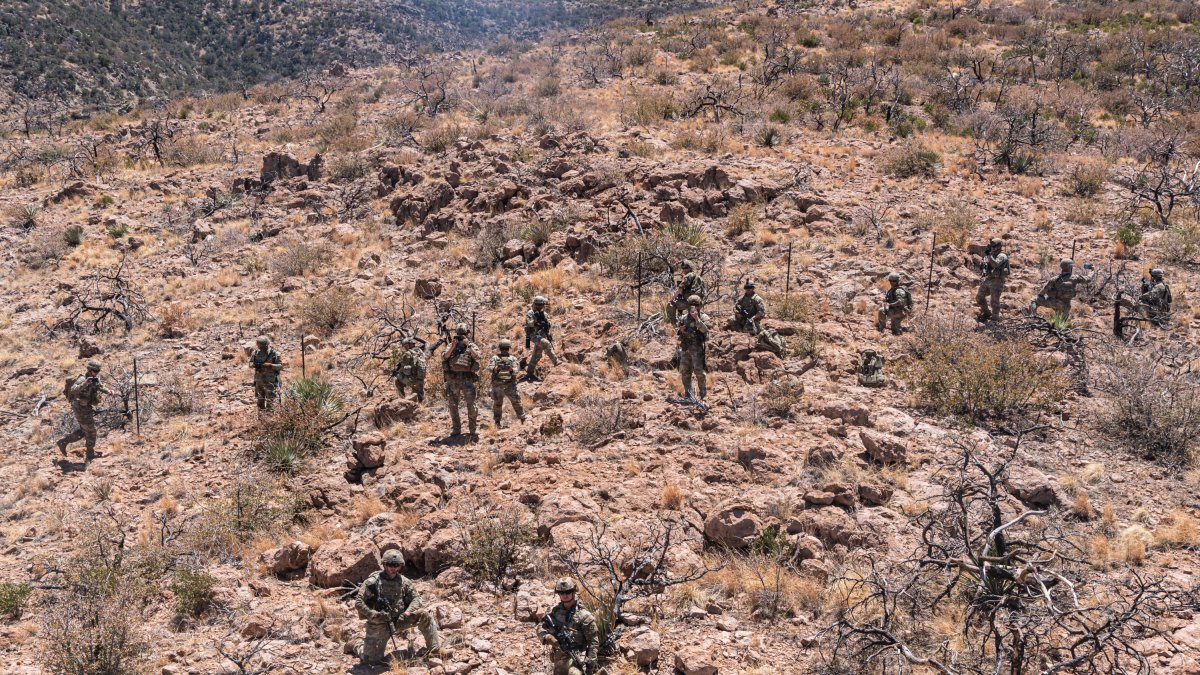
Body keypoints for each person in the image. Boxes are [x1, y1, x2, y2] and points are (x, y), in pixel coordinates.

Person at [352, 549, 440, 664]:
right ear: (384, 565)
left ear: (400, 566)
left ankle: (435, 650)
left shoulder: (404, 582)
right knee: (371, 661)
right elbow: (359, 602)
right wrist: (372, 614)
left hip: (399, 620)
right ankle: (357, 644)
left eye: (396, 565)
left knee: (424, 615)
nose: (392, 568)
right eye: (389, 564)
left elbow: (416, 599)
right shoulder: (373, 582)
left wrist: (408, 612)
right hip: (379, 624)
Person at [538, 578, 599, 675]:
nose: (565, 595)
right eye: (561, 593)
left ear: (574, 592)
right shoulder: (553, 612)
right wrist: (547, 637)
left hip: (578, 656)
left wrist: (590, 664)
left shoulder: (584, 615)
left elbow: (593, 642)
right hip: (559, 657)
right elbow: (541, 627)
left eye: (568, 592)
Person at [57, 360, 104, 463]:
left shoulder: (95, 379)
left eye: (98, 370)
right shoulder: (82, 379)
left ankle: (63, 442)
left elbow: (100, 387)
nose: (96, 372)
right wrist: (85, 383)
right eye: (94, 370)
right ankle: (90, 454)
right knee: (91, 431)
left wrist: (109, 391)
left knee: (84, 431)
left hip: (86, 407)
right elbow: (74, 389)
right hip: (79, 408)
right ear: (89, 369)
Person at [441, 324, 481, 438]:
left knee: (471, 406)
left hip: (467, 379)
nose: (460, 337)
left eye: (462, 335)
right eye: (458, 335)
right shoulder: (450, 345)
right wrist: (453, 346)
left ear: (467, 334)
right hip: (453, 380)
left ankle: (473, 429)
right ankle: (456, 429)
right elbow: (444, 357)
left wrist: (468, 345)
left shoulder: (471, 345)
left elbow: (477, 357)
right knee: (453, 405)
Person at [1030, 259, 1094, 318]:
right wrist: (1092, 271)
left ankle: (1032, 315)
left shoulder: (1054, 279)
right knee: (1061, 321)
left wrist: (1042, 296)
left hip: (1055, 303)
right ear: (1070, 267)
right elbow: (1088, 279)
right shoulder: (1075, 278)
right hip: (1066, 307)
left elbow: (1043, 292)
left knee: (1034, 300)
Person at [677, 295, 709, 400]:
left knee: (699, 372)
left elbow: (706, 332)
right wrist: (681, 330)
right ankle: (688, 394)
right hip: (686, 348)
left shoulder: (704, 318)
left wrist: (697, 319)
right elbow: (679, 333)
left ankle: (703, 394)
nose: (693, 307)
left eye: (696, 305)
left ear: (700, 305)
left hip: (697, 349)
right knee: (685, 371)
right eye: (691, 305)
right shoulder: (684, 318)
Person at [489, 339, 525, 428]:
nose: (504, 351)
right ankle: (497, 422)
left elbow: (516, 370)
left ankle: (522, 419)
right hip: (498, 385)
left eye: (506, 349)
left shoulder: (513, 359)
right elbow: (490, 368)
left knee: (516, 402)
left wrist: (511, 369)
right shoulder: (495, 358)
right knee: (497, 404)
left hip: (510, 385)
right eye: (503, 349)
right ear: (500, 349)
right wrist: (497, 368)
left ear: (508, 349)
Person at [524, 296, 560, 381]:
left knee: (537, 355)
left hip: (542, 335)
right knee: (546, 343)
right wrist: (536, 321)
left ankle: (529, 372)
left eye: (541, 304)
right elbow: (529, 324)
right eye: (538, 304)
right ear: (535, 304)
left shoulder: (545, 314)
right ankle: (556, 361)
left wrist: (546, 323)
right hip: (533, 335)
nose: (540, 306)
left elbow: (549, 323)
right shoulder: (531, 313)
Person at [975, 237, 1010, 322]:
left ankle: (995, 319)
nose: (993, 248)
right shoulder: (992, 254)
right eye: (992, 246)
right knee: (979, 297)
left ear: (999, 246)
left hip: (997, 281)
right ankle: (987, 313)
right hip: (988, 278)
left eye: (994, 246)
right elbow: (986, 264)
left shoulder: (1002, 256)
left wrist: (989, 256)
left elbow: (996, 264)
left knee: (994, 302)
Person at [249, 336, 283, 409]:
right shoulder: (255, 353)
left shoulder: (275, 354)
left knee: (270, 401)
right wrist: (255, 365)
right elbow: (250, 364)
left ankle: (269, 417)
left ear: (267, 344)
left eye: (264, 346)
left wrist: (270, 365)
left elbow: (280, 366)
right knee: (260, 401)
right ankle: (261, 418)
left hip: (270, 381)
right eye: (260, 346)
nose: (262, 348)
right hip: (259, 381)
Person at [392, 336, 428, 402]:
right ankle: (421, 405)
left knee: (397, 380)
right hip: (421, 379)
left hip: (412, 380)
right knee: (420, 396)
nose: (405, 347)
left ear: (410, 344)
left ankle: (402, 400)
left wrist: (396, 373)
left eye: (406, 345)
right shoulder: (420, 351)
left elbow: (402, 369)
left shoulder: (408, 354)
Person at [668, 259, 705, 324]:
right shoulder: (699, 277)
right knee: (695, 319)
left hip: (688, 302)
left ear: (689, 268)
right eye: (683, 268)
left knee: (671, 304)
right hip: (699, 303)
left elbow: (679, 289)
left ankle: (673, 324)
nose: (684, 270)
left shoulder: (688, 276)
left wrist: (671, 299)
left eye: (685, 268)